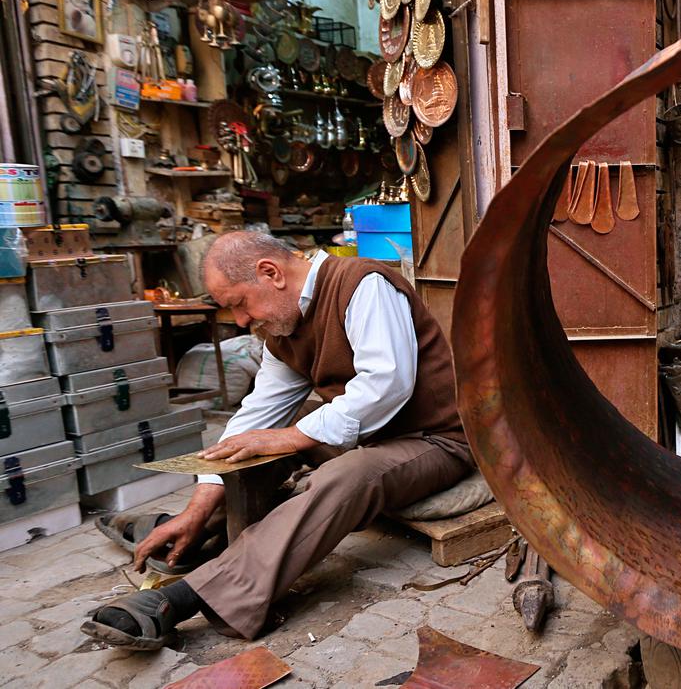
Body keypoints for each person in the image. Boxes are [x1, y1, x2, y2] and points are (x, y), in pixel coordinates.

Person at [81, 232, 473, 649]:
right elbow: (259, 413)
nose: (241, 321)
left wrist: (289, 438)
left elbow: (386, 386)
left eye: (238, 304)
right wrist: (201, 502)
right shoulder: (282, 328)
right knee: (254, 439)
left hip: (434, 438)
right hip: (369, 432)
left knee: (346, 474)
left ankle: (186, 596)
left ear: (271, 273)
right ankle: (197, 530)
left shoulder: (364, 284)